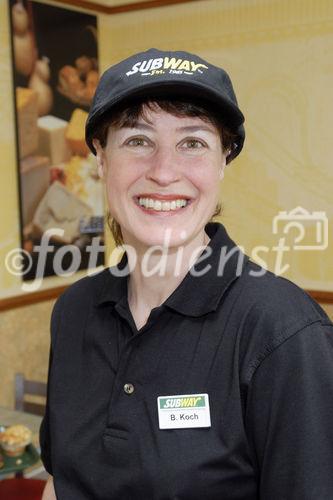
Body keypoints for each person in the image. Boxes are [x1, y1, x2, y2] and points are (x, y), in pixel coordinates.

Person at [40, 48, 333, 500]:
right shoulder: (74, 311)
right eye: (137, 140)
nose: (163, 171)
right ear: (100, 158)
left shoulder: (283, 333)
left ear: (222, 162)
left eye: (192, 142)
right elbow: (60, 483)